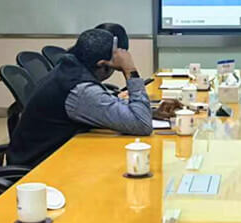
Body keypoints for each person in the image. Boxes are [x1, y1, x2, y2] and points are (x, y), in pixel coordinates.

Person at [9, 28, 177, 168]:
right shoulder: (80, 90)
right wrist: (130, 71)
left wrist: (152, 112)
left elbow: (106, 106)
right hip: (40, 169)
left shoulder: (68, 68)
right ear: (102, 65)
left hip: (56, 154)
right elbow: (141, 125)